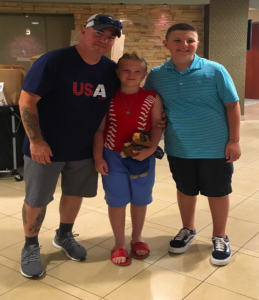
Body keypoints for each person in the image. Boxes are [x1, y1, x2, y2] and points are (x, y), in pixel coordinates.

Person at [19, 14, 123, 278]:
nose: (104, 40)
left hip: (83, 149)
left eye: (110, 37)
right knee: (37, 199)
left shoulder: (109, 71)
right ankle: (30, 245)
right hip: (46, 147)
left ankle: (64, 235)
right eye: (99, 33)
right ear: (83, 31)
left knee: (74, 194)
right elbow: (26, 100)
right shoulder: (55, 61)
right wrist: (36, 140)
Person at [144, 23, 241, 266]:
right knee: (186, 189)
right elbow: (149, 106)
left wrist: (234, 140)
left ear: (197, 43)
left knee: (217, 191)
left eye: (189, 40)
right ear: (166, 44)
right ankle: (188, 228)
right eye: (177, 40)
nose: (183, 45)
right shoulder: (156, 75)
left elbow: (232, 105)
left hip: (216, 147)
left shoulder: (215, 70)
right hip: (179, 147)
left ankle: (220, 236)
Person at [93, 52, 163, 266]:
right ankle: (119, 242)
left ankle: (137, 238)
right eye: (126, 70)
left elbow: (157, 125)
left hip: (141, 155)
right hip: (112, 155)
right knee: (117, 200)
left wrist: (151, 150)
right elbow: (99, 129)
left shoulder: (152, 97)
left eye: (137, 71)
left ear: (144, 74)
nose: (131, 75)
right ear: (117, 72)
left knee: (140, 198)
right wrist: (98, 157)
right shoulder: (108, 97)